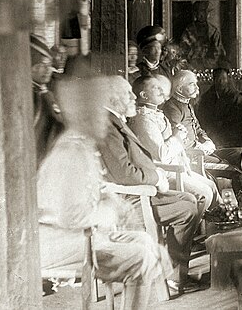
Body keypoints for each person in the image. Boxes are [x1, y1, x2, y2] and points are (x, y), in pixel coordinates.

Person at [38, 77, 171, 310]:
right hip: (55, 240)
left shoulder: (81, 144)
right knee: (142, 256)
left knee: (146, 242)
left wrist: (108, 199)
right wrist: (108, 211)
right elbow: (68, 215)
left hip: (77, 233)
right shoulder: (69, 149)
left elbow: (85, 190)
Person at [97, 75, 204, 295]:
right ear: (114, 98)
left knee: (189, 200)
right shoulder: (108, 127)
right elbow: (124, 173)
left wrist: (157, 173)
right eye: (128, 94)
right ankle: (173, 276)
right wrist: (155, 178)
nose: (133, 97)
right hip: (130, 201)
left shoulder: (116, 121)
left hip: (141, 192)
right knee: (188, 206)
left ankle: (175, 271)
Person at [162, 70, 242, 188]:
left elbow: (198, 129)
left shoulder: (187, 104)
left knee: (240, 153)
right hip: (192, 156)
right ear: (180, 89)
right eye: (192, 84)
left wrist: (208, 141)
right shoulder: (172, 107)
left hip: (203, 150)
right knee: (234, 169)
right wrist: (199, 147)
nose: (197, 87)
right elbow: (176, 135)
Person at [128, 75, 218, 213]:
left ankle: (221, 224)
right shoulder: (143, 119)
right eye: (155, 88)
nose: (161, 90)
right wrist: (177, 137)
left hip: (178, 167)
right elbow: (161, 154)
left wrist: (178, 134)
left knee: (211, 186)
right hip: (166, 173)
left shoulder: (155, 113)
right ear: (144, 95)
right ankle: (195, 230)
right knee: (205, 193)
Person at [197, 67, 242, 149]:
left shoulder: (235, 96)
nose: (221, 82)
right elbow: (202, 115)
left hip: (231, 130)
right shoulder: (207, 97)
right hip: (213, 131)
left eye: (224, 79)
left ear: (227, 79)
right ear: (214, 80)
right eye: (218, 79)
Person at [31, 34, 63, 165]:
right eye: (40, 65)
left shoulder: (45, 93)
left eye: (49, 64)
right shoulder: (32, 96)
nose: (47, 70)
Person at [179, 1, 225, 69]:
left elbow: (218, 51)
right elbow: (183, 49)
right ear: (195, 13)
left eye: (203, 11)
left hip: (210, 65)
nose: (200, 14)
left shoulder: (213, 31)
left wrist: (210, 62)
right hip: (192, 65)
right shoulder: (188, 30)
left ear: (207, 13)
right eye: (198, 12)